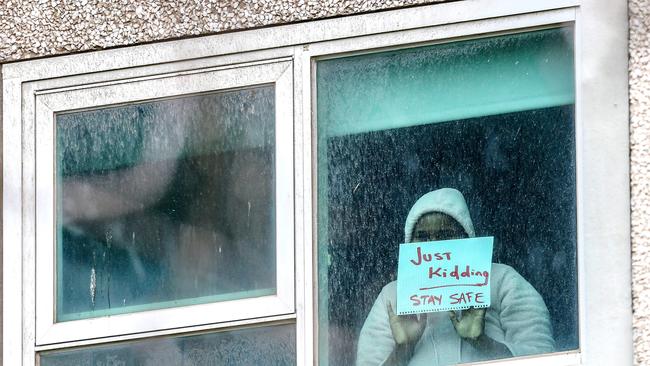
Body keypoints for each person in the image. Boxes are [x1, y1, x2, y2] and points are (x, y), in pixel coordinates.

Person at [356, 188, 555, 366]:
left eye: (444, 235)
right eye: (423, 237)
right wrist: (404, 348)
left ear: (466, 237)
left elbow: (545, 356)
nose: (433, 245)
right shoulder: (392, 296)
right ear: (410, 243)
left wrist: (482, 342)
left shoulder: (504, 280)